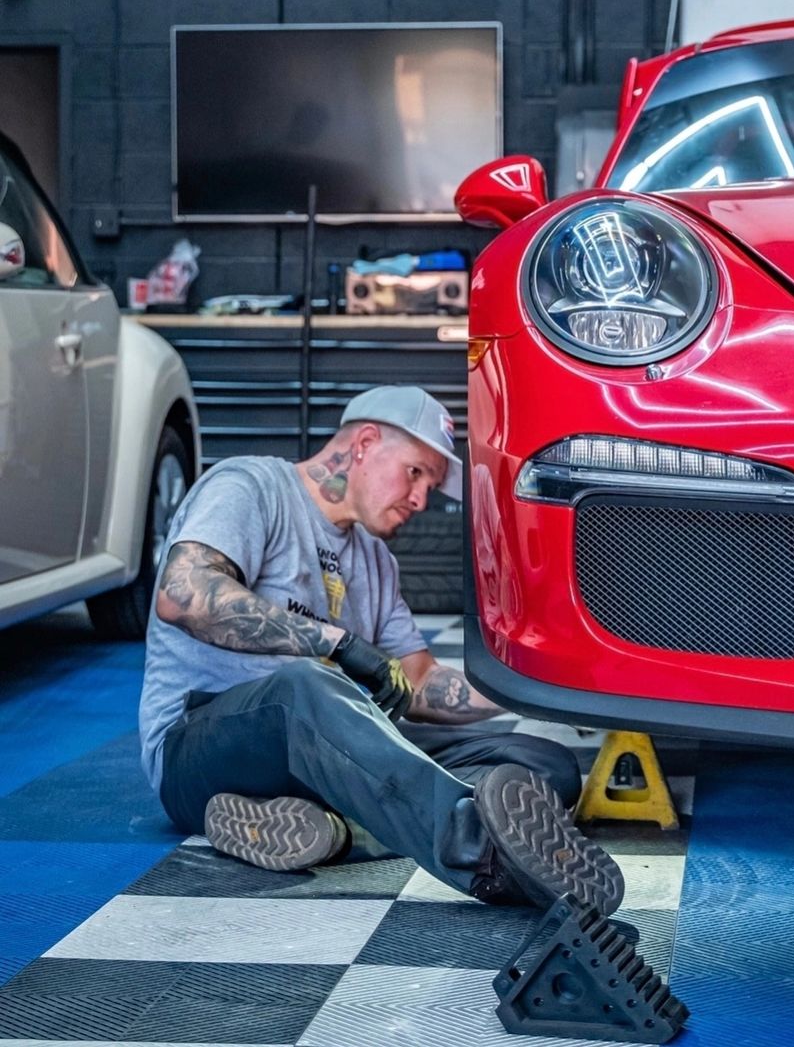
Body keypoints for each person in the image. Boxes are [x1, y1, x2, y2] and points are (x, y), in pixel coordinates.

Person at [138, 384, 623, 916]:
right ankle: (482, 853)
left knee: (539, 763)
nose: (421, 499)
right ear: (365, 442)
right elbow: (181, 596)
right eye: (416, 473)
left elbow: (416, 683)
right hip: (197, 747)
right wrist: (337, 643)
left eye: (430, 486)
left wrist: (541, 691)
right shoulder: (251, 485)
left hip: (330, 746)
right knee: (308, 685)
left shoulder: (375, 559)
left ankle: (335, 833)